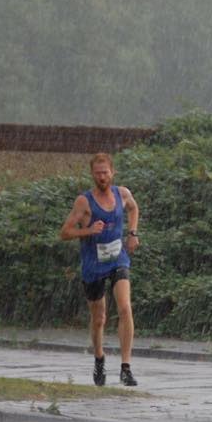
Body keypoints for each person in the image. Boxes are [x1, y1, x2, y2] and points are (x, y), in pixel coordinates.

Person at [60, 152, 140, 387]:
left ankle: (126, 368)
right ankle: (99, 358)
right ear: (92, 175)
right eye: (98, 173)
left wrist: (133, 233)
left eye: (105, 172)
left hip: (118, 259)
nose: (102, 177)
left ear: (112, 172)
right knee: (99, 319)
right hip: (93, 266)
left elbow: (133, 209)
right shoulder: (84, 202)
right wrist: (88, 231)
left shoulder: (122, 194)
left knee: (125, 308)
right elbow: (65, 232)